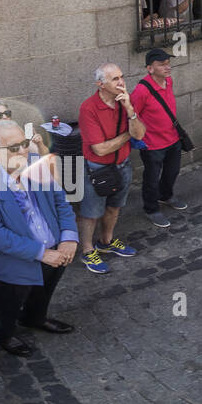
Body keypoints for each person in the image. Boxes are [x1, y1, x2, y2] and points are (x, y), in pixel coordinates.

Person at [0, 116, 78, 359]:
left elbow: (61, 202)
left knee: (43, 292)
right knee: (8, 302)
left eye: (24, 143)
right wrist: (42, 253)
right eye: (14, 147)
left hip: (55, 250)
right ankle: (2, 333)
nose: (23, 150)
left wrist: (69, 238)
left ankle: (34, 319)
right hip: (15, 260)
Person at [74, 62, 136, 272]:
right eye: (115, 79)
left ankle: (106, 242)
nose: (121, 82)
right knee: (91, 212)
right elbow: (100, 149)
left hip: (123, 164)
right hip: (97, 169)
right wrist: (129, 135)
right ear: (100, 84)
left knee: (114, 206)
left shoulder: (125, 102)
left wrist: (129, 109)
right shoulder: (89, 107)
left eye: (121, 77)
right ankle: (87, 250)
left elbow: (142, 132)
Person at [128, 47, 189, 227]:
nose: (167, 67)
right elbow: (133, 114)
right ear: (150, 68)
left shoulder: (168, 81)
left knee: (172, 171)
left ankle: (166, 196)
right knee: (151, 179)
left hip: (173, 138)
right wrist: (139, 138)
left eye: (168, 63)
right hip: (152, 144)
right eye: (162, 64)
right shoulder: (141, 90)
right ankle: (151, 209)